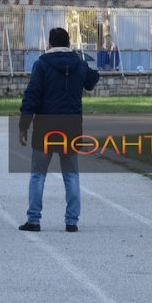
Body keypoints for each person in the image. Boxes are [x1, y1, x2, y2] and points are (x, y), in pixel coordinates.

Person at [18, 27, 100, 232]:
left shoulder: (41, 64)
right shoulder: (79, 64)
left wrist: (24, 125)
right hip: (71, 127)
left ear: (50, 44)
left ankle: (34, 220)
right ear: (69, 44)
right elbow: (91, 81)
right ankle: (71, 221)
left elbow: (32, 96)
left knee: (38, 175)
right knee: (71, 175)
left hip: (45, 128)